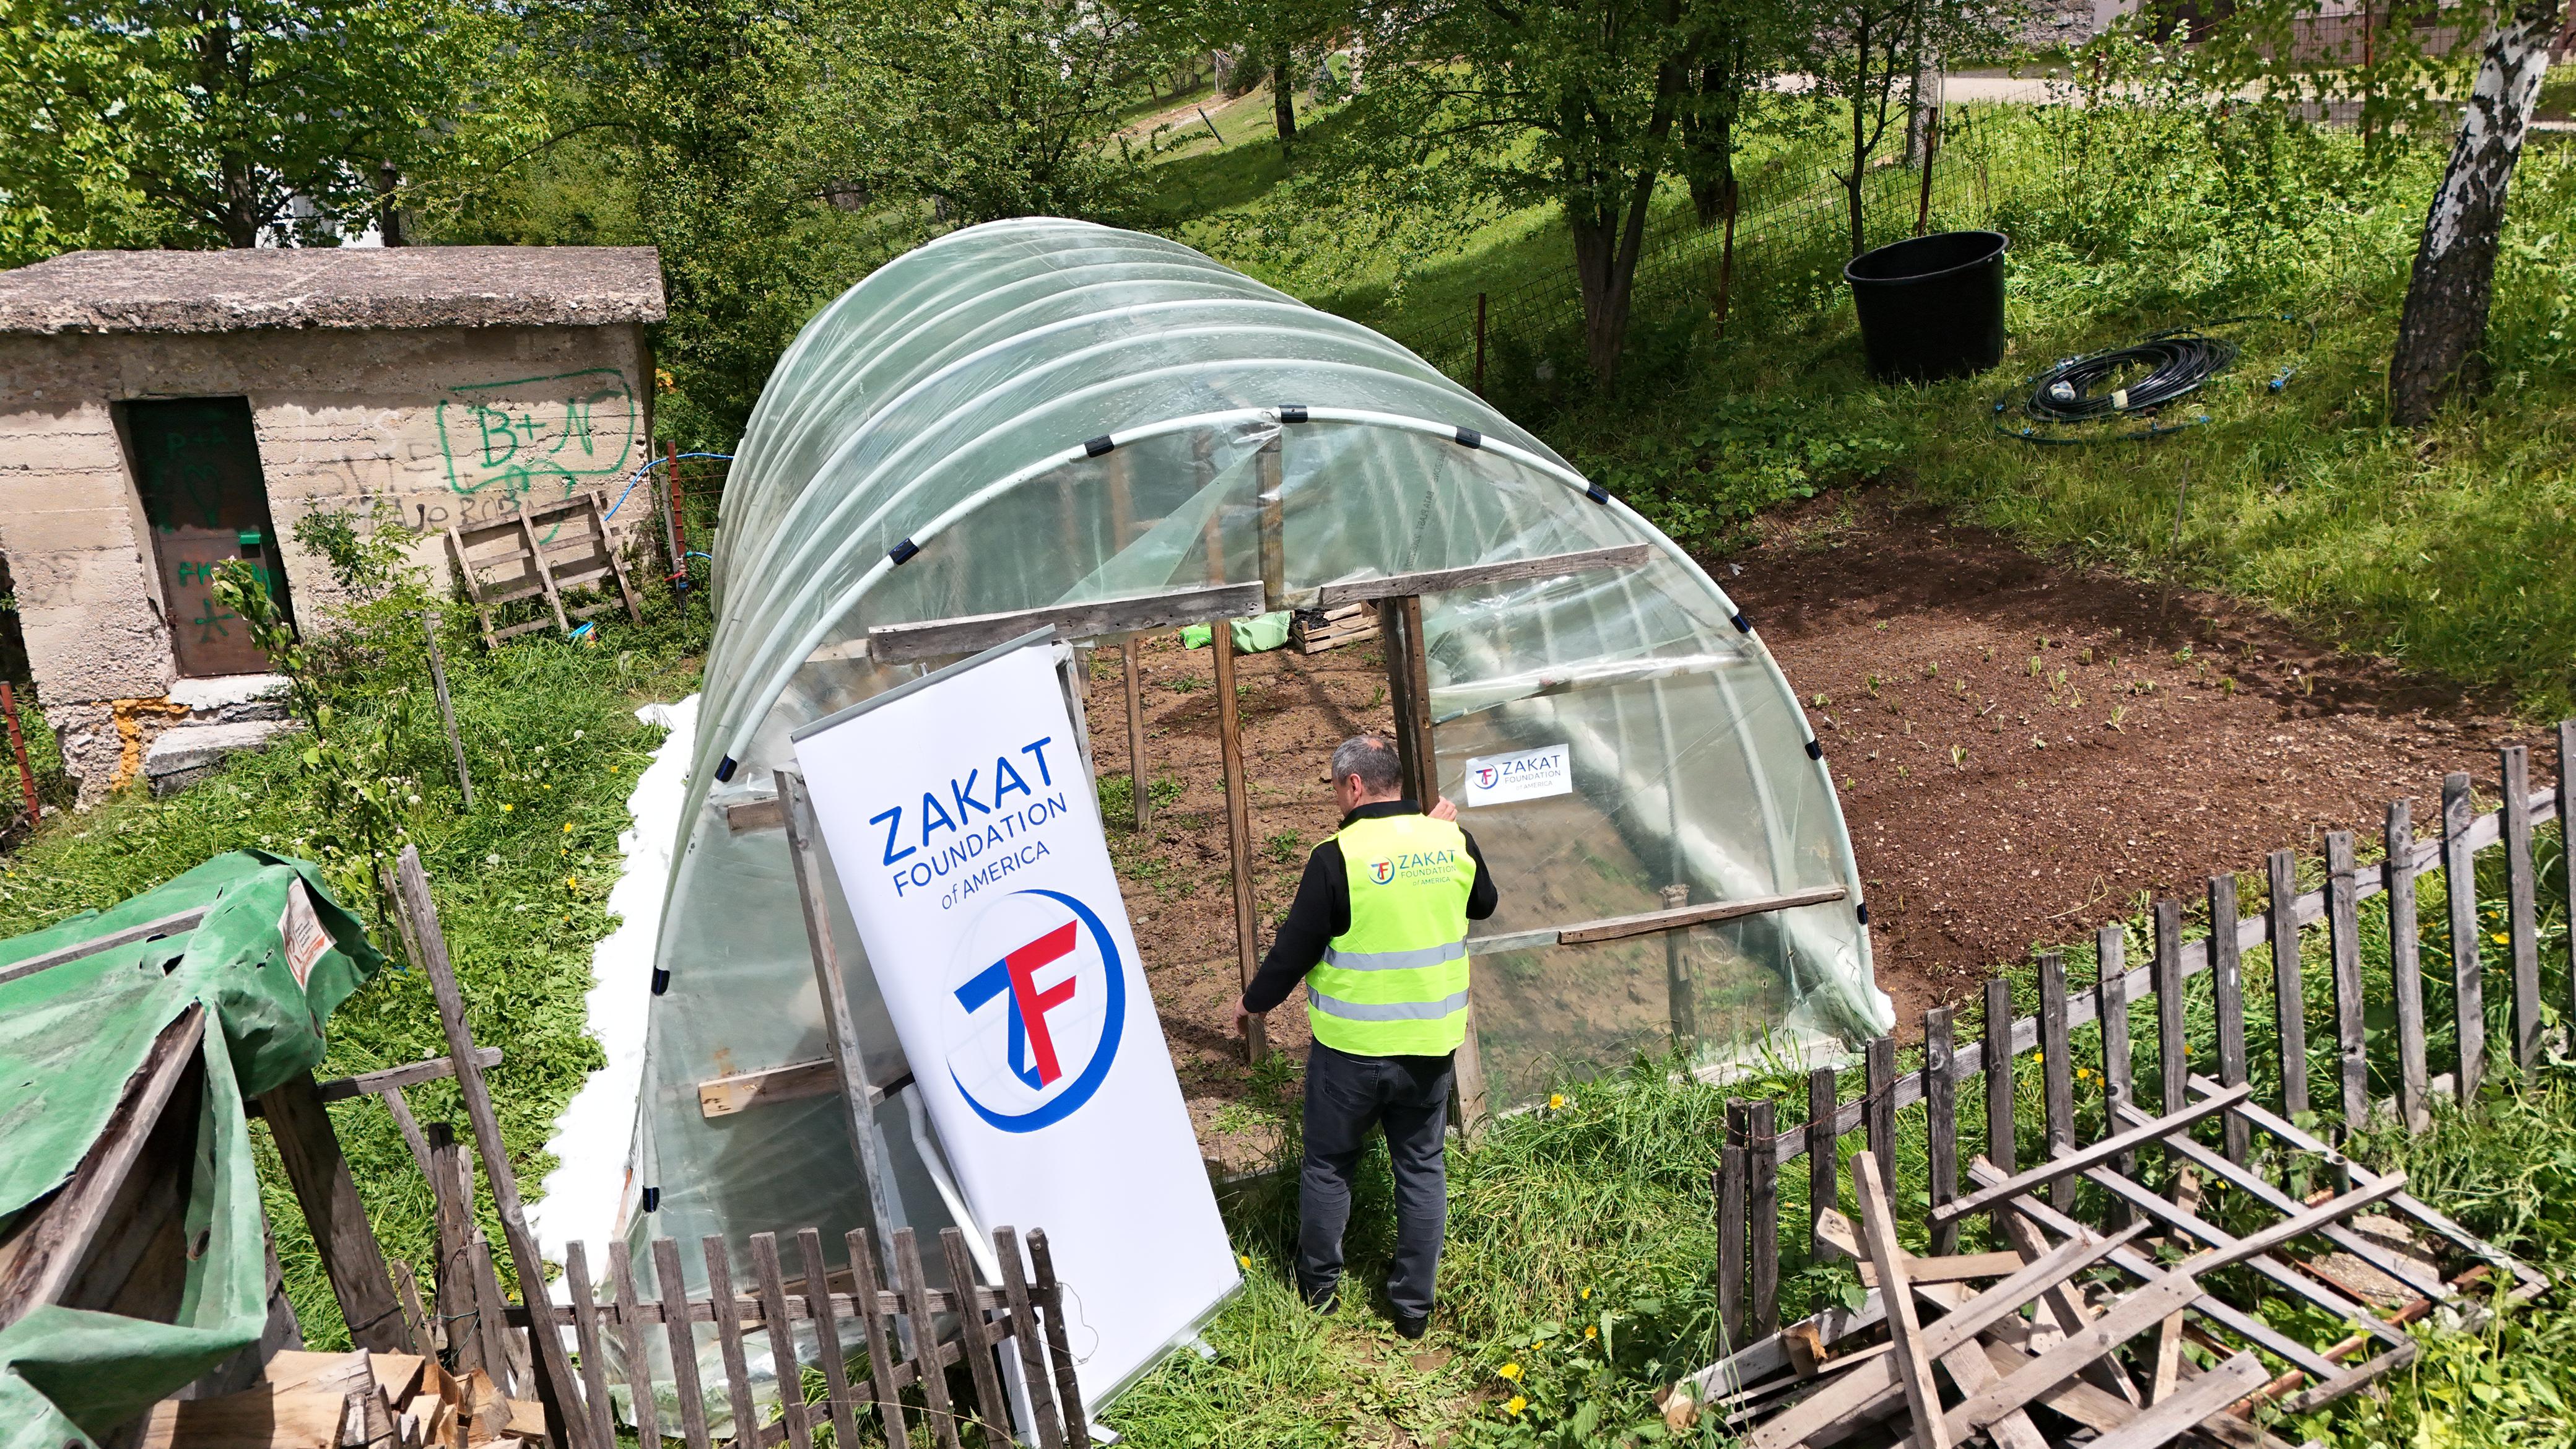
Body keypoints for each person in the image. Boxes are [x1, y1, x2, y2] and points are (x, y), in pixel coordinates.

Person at [1235, 734, 1499, 1339]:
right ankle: (1412, 1310)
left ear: (1353, 785)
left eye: (1336, 787)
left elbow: (1295, 948)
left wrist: (1253, 1003)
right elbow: (1482, 903)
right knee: (1421, 1166)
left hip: (1351, 1053)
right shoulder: (1451, 839)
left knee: (1329, 1165)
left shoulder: (1337, 856)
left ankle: (1318, 1294)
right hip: (1429, 1048)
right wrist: (1440, 845)